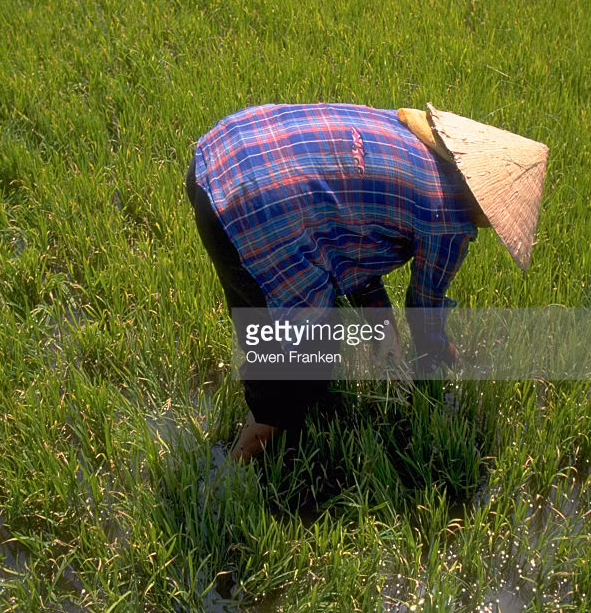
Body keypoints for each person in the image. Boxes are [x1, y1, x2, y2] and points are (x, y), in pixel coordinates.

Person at [186, 102, 548, 462]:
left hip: (217, 156)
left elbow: (353, 236)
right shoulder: (450, 219)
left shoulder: (403, 133)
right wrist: (438, 352)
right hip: (256, 208)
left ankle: (264, 405)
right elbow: (425, 306)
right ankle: (259, 442)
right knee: (306, 364)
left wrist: (382, 328)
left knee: (255, 306)